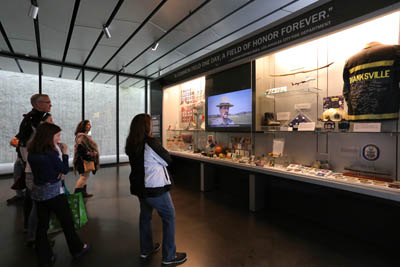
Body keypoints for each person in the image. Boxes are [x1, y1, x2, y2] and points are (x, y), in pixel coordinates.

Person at [125, 113, 187, 266]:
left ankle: (146, 249)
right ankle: (169, 256)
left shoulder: (132, 143)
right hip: (154, 188)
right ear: (146, 127)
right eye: (150, 123)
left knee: (145, 217)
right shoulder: (150, 143)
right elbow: (167, 159)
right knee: (169, 216)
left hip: (140, 188)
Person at [28, 123, 90, 267]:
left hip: (39, 193)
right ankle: (77, 249)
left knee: (41, 226)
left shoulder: (33, 152)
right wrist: (65, 153)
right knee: (67, 223)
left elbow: (48, 170)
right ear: (49, 137)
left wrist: (57, 173)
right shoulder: (50, 153)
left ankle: (44, 257)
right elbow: (63, 168)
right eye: (57, 136)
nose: (59, 138)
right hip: (54, 194)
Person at [7, 94, 52, 205]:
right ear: (38, 104)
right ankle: (23, 196)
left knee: (30, 179)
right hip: (25, 154)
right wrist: (16, 139)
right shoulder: (31, 117)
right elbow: (24, 133)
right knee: (20, 174)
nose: (50, 105)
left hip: (31, 155)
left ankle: (32, 199)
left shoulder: (43, 117)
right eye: (48, 102)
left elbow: (47, 136)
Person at [73, 120, 99, 198]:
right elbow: (80, 150)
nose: (90, 126)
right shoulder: (82, 136)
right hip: (83, 160)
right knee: (83, 177)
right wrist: (91, 153)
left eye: (90, 124)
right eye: (88, 125)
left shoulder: (83, 136)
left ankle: (83, 193)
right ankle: (76, 193)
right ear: (83, 126)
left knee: (85, 176)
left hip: (85, 160)